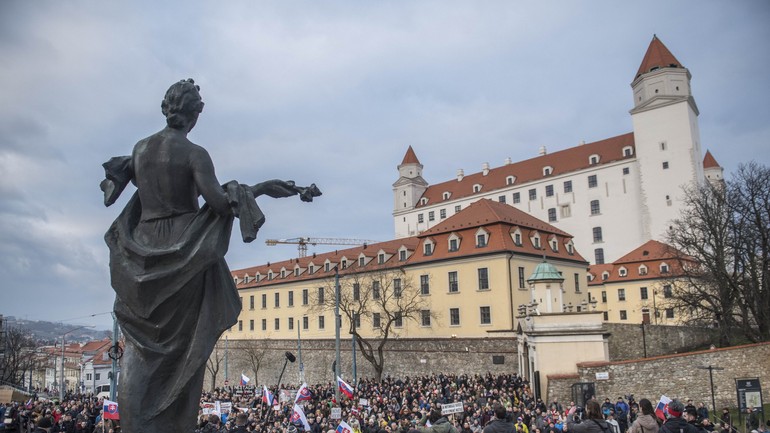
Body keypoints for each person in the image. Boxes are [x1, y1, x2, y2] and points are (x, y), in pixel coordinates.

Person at [102, 79, 320, 433]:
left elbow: (121, 193)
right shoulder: (194, 153)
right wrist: (258, 188)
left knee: (143, 352)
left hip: (140, 251)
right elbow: (219, 203)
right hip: (183, 251)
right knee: (185, 347)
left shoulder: (140, 149)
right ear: (193, 115)